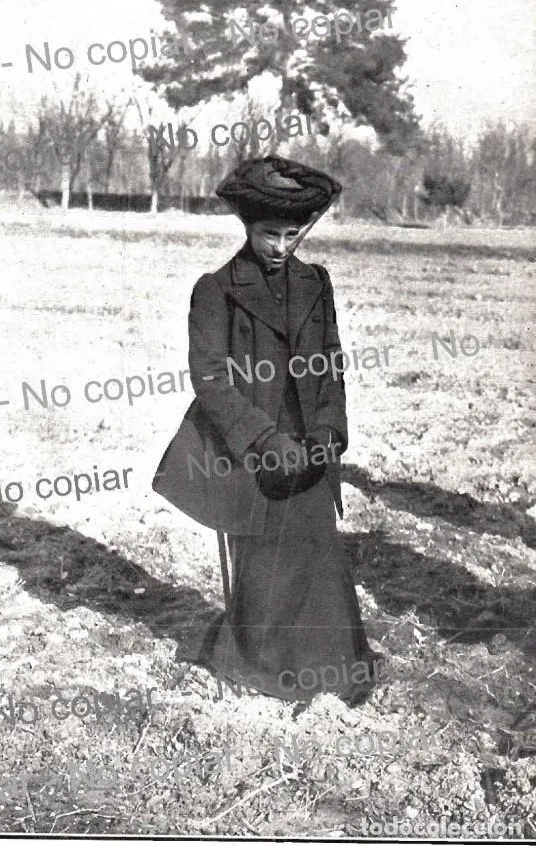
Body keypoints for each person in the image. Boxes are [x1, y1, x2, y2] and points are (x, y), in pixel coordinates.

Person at [153, 155, 383, 709]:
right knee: (263, 565)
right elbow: (209, 378)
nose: (280, 246)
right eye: (268, 233)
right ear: (246, 226)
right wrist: (260, 439)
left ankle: (331, 672)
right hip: (251, 451)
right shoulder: (216, 290)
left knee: (318, 557)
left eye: (292, 234)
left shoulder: (316, 282)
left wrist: (330, 430)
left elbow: (331, 361)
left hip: (308, 447)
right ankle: (261, 670)